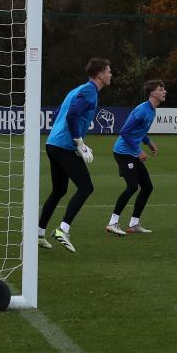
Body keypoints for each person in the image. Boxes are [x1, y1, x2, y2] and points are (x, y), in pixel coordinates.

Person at [38, 58, 112, 253]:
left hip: (53, 143)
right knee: (86, 187)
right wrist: (79, 141)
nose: (111, 75)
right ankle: (63, 230)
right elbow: (71, 115)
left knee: (59, 190)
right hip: (64, 146)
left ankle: (38, 233)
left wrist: (77, 141)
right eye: (109, 72)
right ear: (100, 75)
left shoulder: (77, 89)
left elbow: (57, 114)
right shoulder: (89, 91)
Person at [107, 80, 165, 235]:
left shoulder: (152, 111)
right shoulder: (142, 110)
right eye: (161, 89)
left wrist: (148, 142)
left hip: (132, 153)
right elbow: (125, 132)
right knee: (132, 186)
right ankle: (112, 222)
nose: (164, 91)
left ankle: (134, 224)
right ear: (153, 93)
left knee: (147, 187)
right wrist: (138, 151)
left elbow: (140, 131)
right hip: (123, 153)